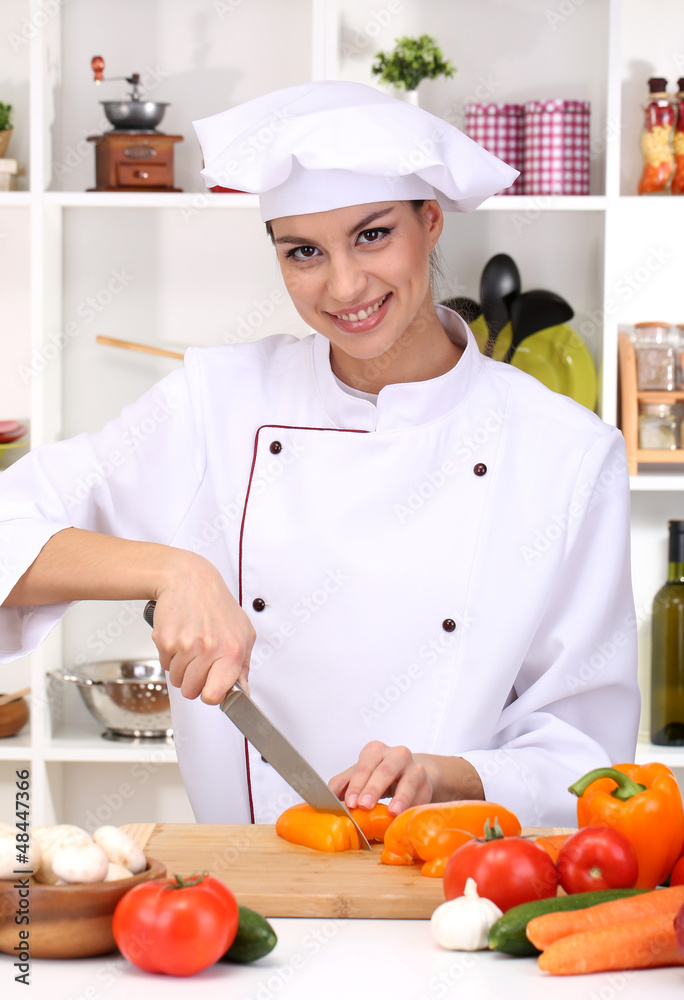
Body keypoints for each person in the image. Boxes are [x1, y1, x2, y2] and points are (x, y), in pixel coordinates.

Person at [0, 81, 639, 827]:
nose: (344, 286)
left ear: (430, 223)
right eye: (304, 251)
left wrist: (445, 776)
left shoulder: (566, 453)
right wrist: (173, 570)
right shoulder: (217, 401)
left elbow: (588, 764)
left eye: (372, 236)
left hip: (465, 892)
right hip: (247, 901)